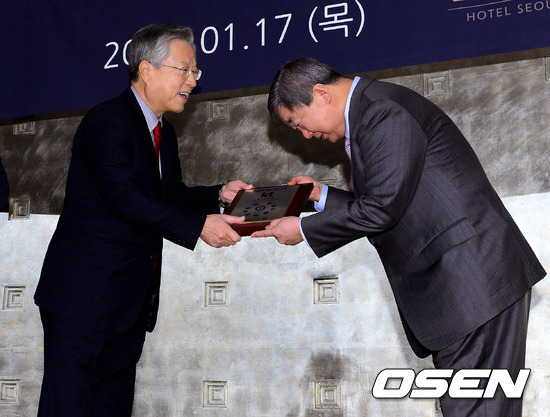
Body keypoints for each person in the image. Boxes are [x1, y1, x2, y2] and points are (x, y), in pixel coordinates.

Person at [252, 57, 546, 416]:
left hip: (472, 284)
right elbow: (389, 201)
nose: (305, 135)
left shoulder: (381, 112)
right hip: (468, 286)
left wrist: (302, 229)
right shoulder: (374, 109)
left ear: (321, 94)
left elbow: (382, 209)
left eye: (298, 123)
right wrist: (320, 195)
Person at [34, 23, 251, 417]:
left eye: (195, 71)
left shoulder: (164, 134)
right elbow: (124, 199)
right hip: (84, 301)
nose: (193, 81)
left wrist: (219, 194)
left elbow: (170, 198)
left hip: (129, 303)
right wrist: (199, 227)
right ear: (147, 70)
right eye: (184, 70)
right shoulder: (107, 122)